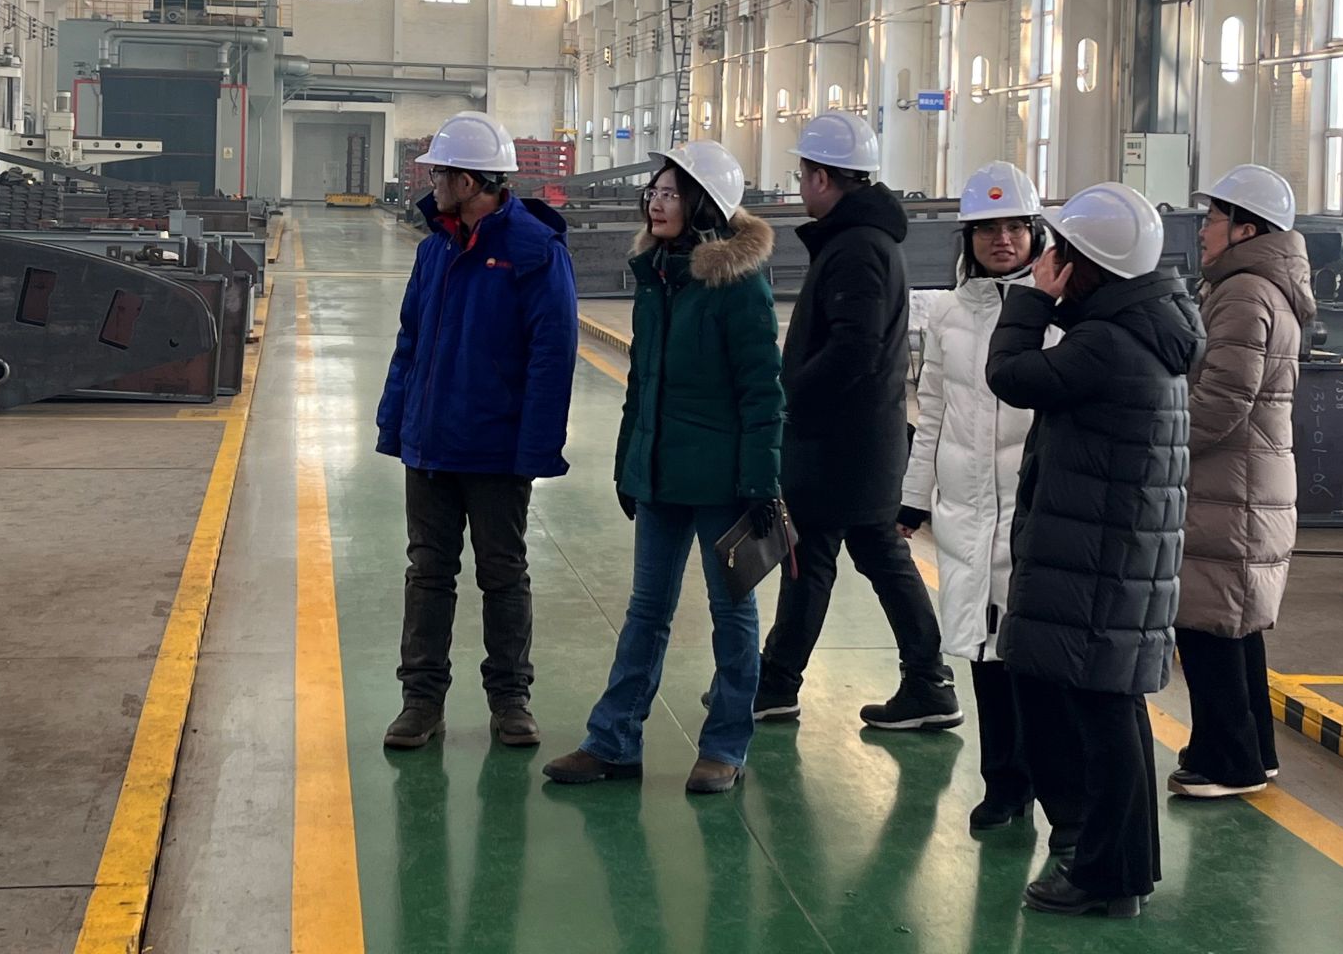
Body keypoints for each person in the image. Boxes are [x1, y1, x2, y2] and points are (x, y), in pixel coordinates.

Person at [986, 182, 1202, 919]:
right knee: (1106, 711)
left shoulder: (1107, 345)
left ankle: (1108, 875)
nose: (1047, 261)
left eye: (1059, 253)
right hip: (1114, 552)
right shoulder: (1143, 328)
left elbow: (1010, 376)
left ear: (1089, 265)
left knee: (1106, 718)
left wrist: (1030, 303)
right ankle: (1112, 865)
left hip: (1100, 558)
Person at [543, 141, 783, 795]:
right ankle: (613, 741)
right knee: (646, 610)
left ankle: (725, 746)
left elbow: (763, 391)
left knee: (732, 614)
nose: (656, 201)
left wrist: (761, 480)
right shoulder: (657, 278)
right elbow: (641, 382)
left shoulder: (738, 285)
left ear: (705, 204)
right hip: (659, 474)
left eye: (672, 192)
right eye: (655, 190)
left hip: (724, 482)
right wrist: (628, 463)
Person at [376, 111, 579, 752]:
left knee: (503, 573)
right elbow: (410, 343)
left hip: (496, 450)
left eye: (439, 172)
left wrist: (536, 449)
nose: (430, 181)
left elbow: (552, 356)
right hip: (431, 444)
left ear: (468, 182)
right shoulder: (433, 249)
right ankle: (421, 702)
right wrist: (397, 422)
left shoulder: (534, 251)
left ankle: (511, 701)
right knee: (428, 573)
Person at [759, 113, 958, 731]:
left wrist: (789, 396)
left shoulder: (856, 248)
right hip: (857, 442)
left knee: (815, 558)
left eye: (802, 175)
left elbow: (854, 349)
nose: (800, 186)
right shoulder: (861, 241)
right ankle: (925, 681)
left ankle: (780, 683)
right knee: (859, 556)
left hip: (840, 445)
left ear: (822, 177)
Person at [898, 161, 1047, 832]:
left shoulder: (1055, 314)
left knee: (1031, 654)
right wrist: (913, 498)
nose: (1002, 240)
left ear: (1035, 234)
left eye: (1015, 226)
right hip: (967, 512)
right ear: (969, 239)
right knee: (984, 650)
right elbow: (931, 411)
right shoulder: (950, 314)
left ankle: (1046, 785)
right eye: (987, 229)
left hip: (1031, 508)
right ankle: (1003, 784)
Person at [1173, 165, 1314, 800]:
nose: (1203, 230)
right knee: (1236, 621)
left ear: (1245, 229)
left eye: (1213, 219)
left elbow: (1221, 402)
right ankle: (1254, 749)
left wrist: (1160, 441)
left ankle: (1227, 761)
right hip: (1246, 481)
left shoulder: (1243, 293)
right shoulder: (1259, 288)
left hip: (1231, 485)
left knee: (1207, 619)